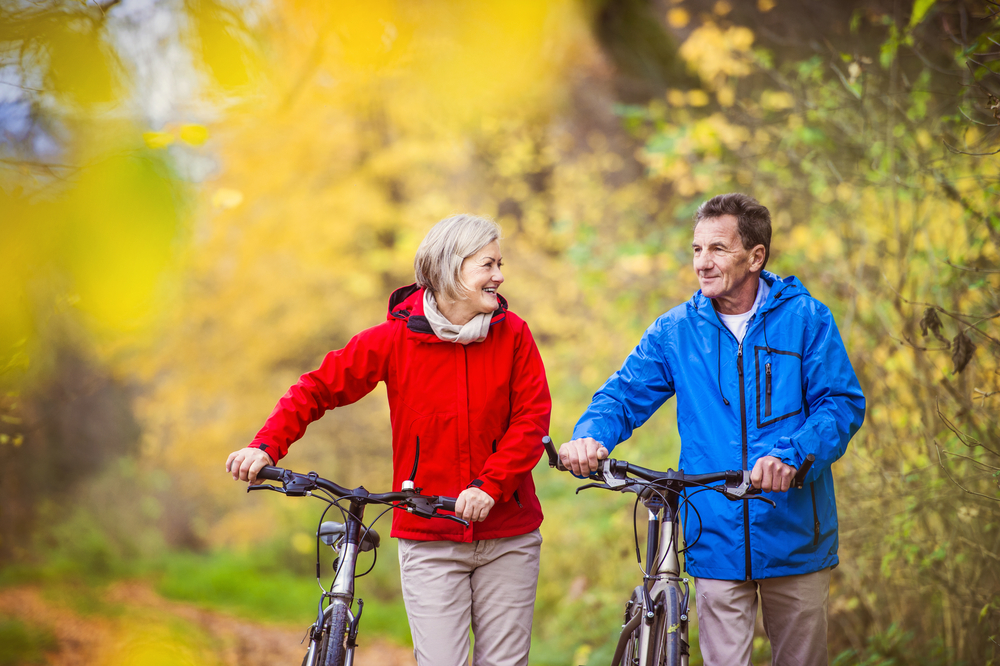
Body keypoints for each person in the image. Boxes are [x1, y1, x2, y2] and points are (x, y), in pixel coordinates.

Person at [226, 214, 551, 666]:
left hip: (508, 535)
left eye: (500, 264)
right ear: (450, 268)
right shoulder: (394, 340)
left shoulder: (512, 335)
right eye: (487, 265)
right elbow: (317, 388)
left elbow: (531, 421)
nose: (499, 276)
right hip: (429, 536)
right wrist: (264, 446)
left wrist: (490, 486)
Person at [559, 193, 865, 666]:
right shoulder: (675, 330)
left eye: (718, 249)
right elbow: (621, 396)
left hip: (796, 531)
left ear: (755, 256)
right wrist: (590, 435)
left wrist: (794, 453)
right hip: (714, 532)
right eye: (697, 249)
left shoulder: (806, 319)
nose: (702, 262)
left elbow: (840, 404)